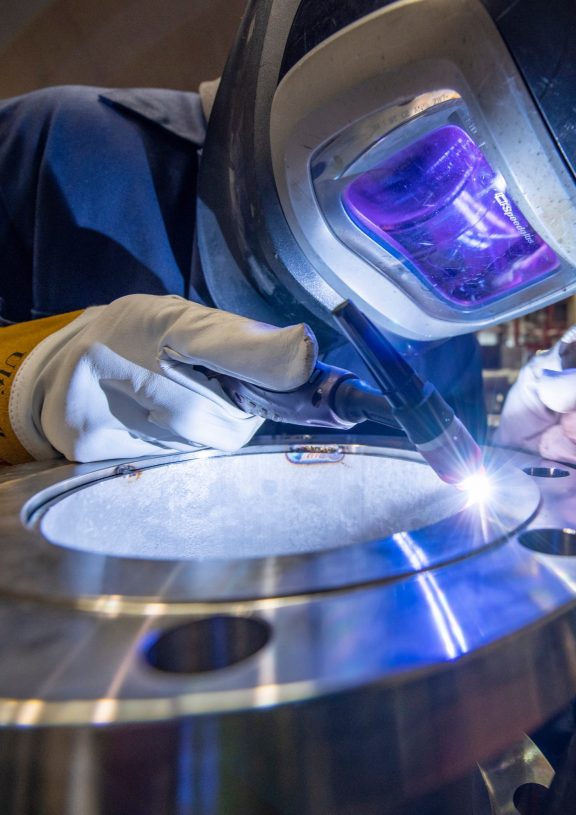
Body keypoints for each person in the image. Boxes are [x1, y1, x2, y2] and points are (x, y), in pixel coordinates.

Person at [0, 0, 573, 469]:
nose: (463, 236)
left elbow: (429, 561)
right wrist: (22, 385)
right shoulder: (52, 148)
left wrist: (519, 475)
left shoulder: (444, 358)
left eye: (518, 246)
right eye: (430, 174)